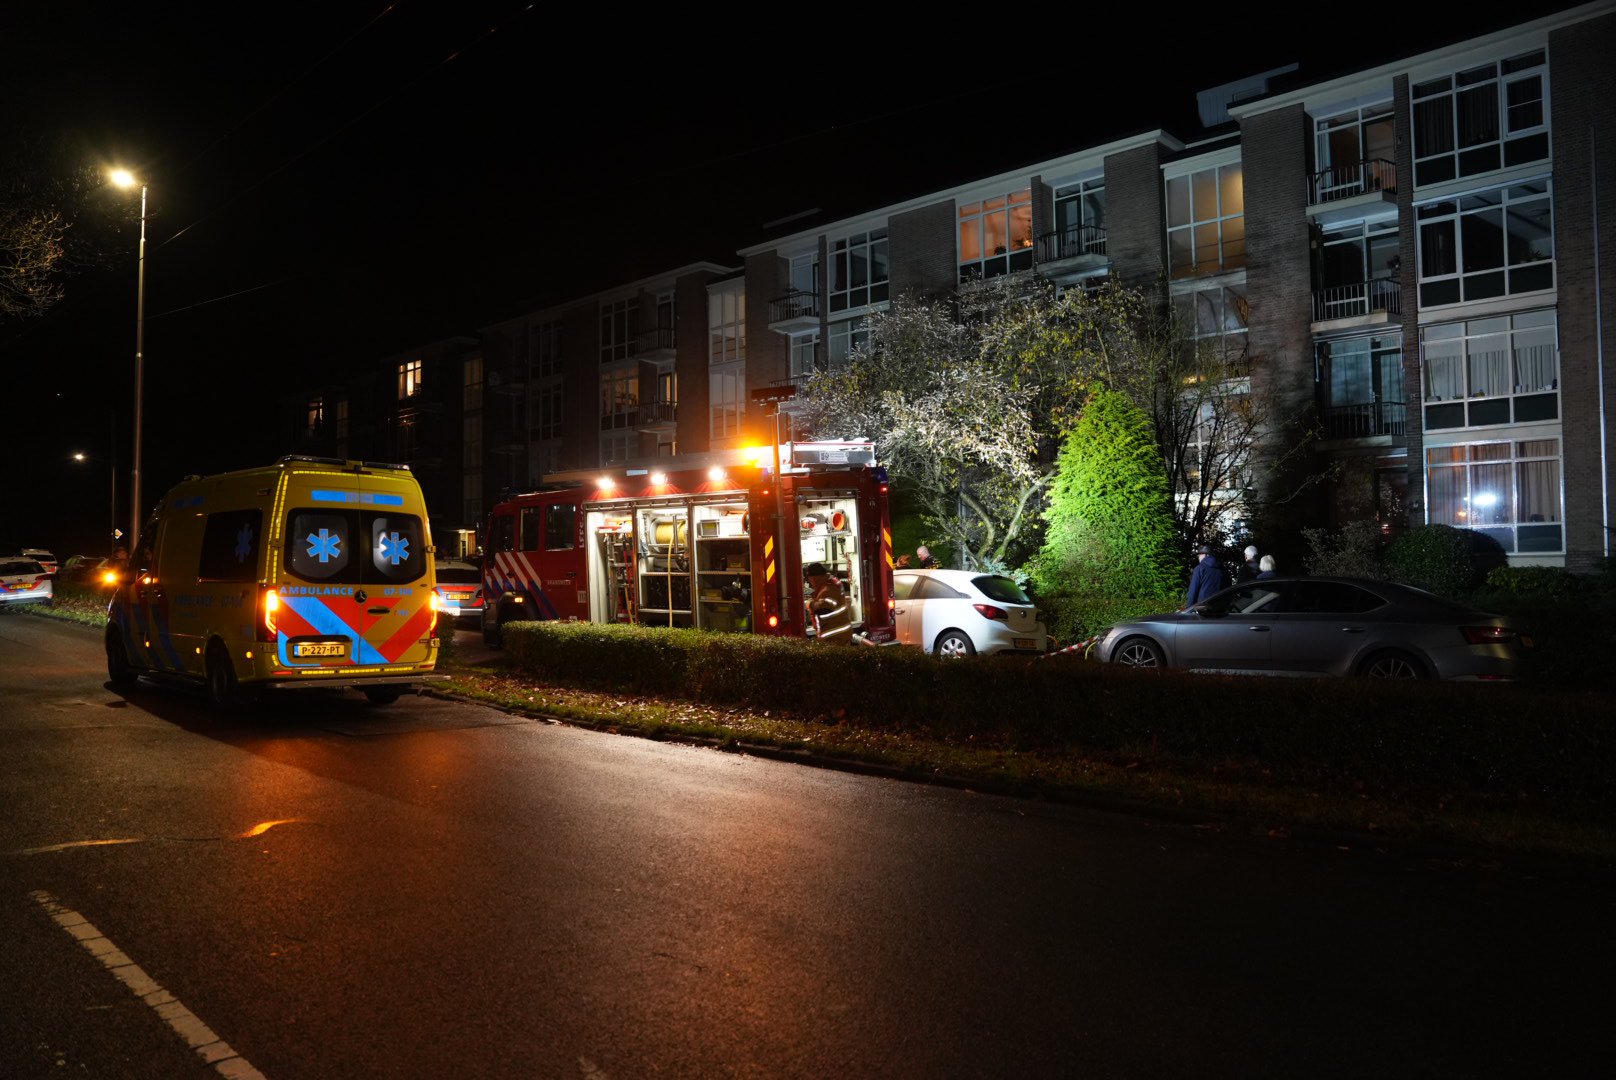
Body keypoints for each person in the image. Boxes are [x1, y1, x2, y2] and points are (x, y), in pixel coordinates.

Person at [804, 562, 853, 643]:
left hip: (835, 636)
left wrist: (809, 603)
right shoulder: (828, 584)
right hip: (838, 633)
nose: (809, 582)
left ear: (814, 578)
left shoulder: (828, 589)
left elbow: (823, 608)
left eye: (809, 578)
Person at [1184, 542, 1229, 609]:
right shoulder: (1223, 569)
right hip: (1220, 610)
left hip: (1203, 610)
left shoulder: (1199, 568)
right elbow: (1228, 590)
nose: (1198, 557)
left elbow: (1192, 592)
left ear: (1205, 555)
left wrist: (1188, 609)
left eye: (1199, 555)